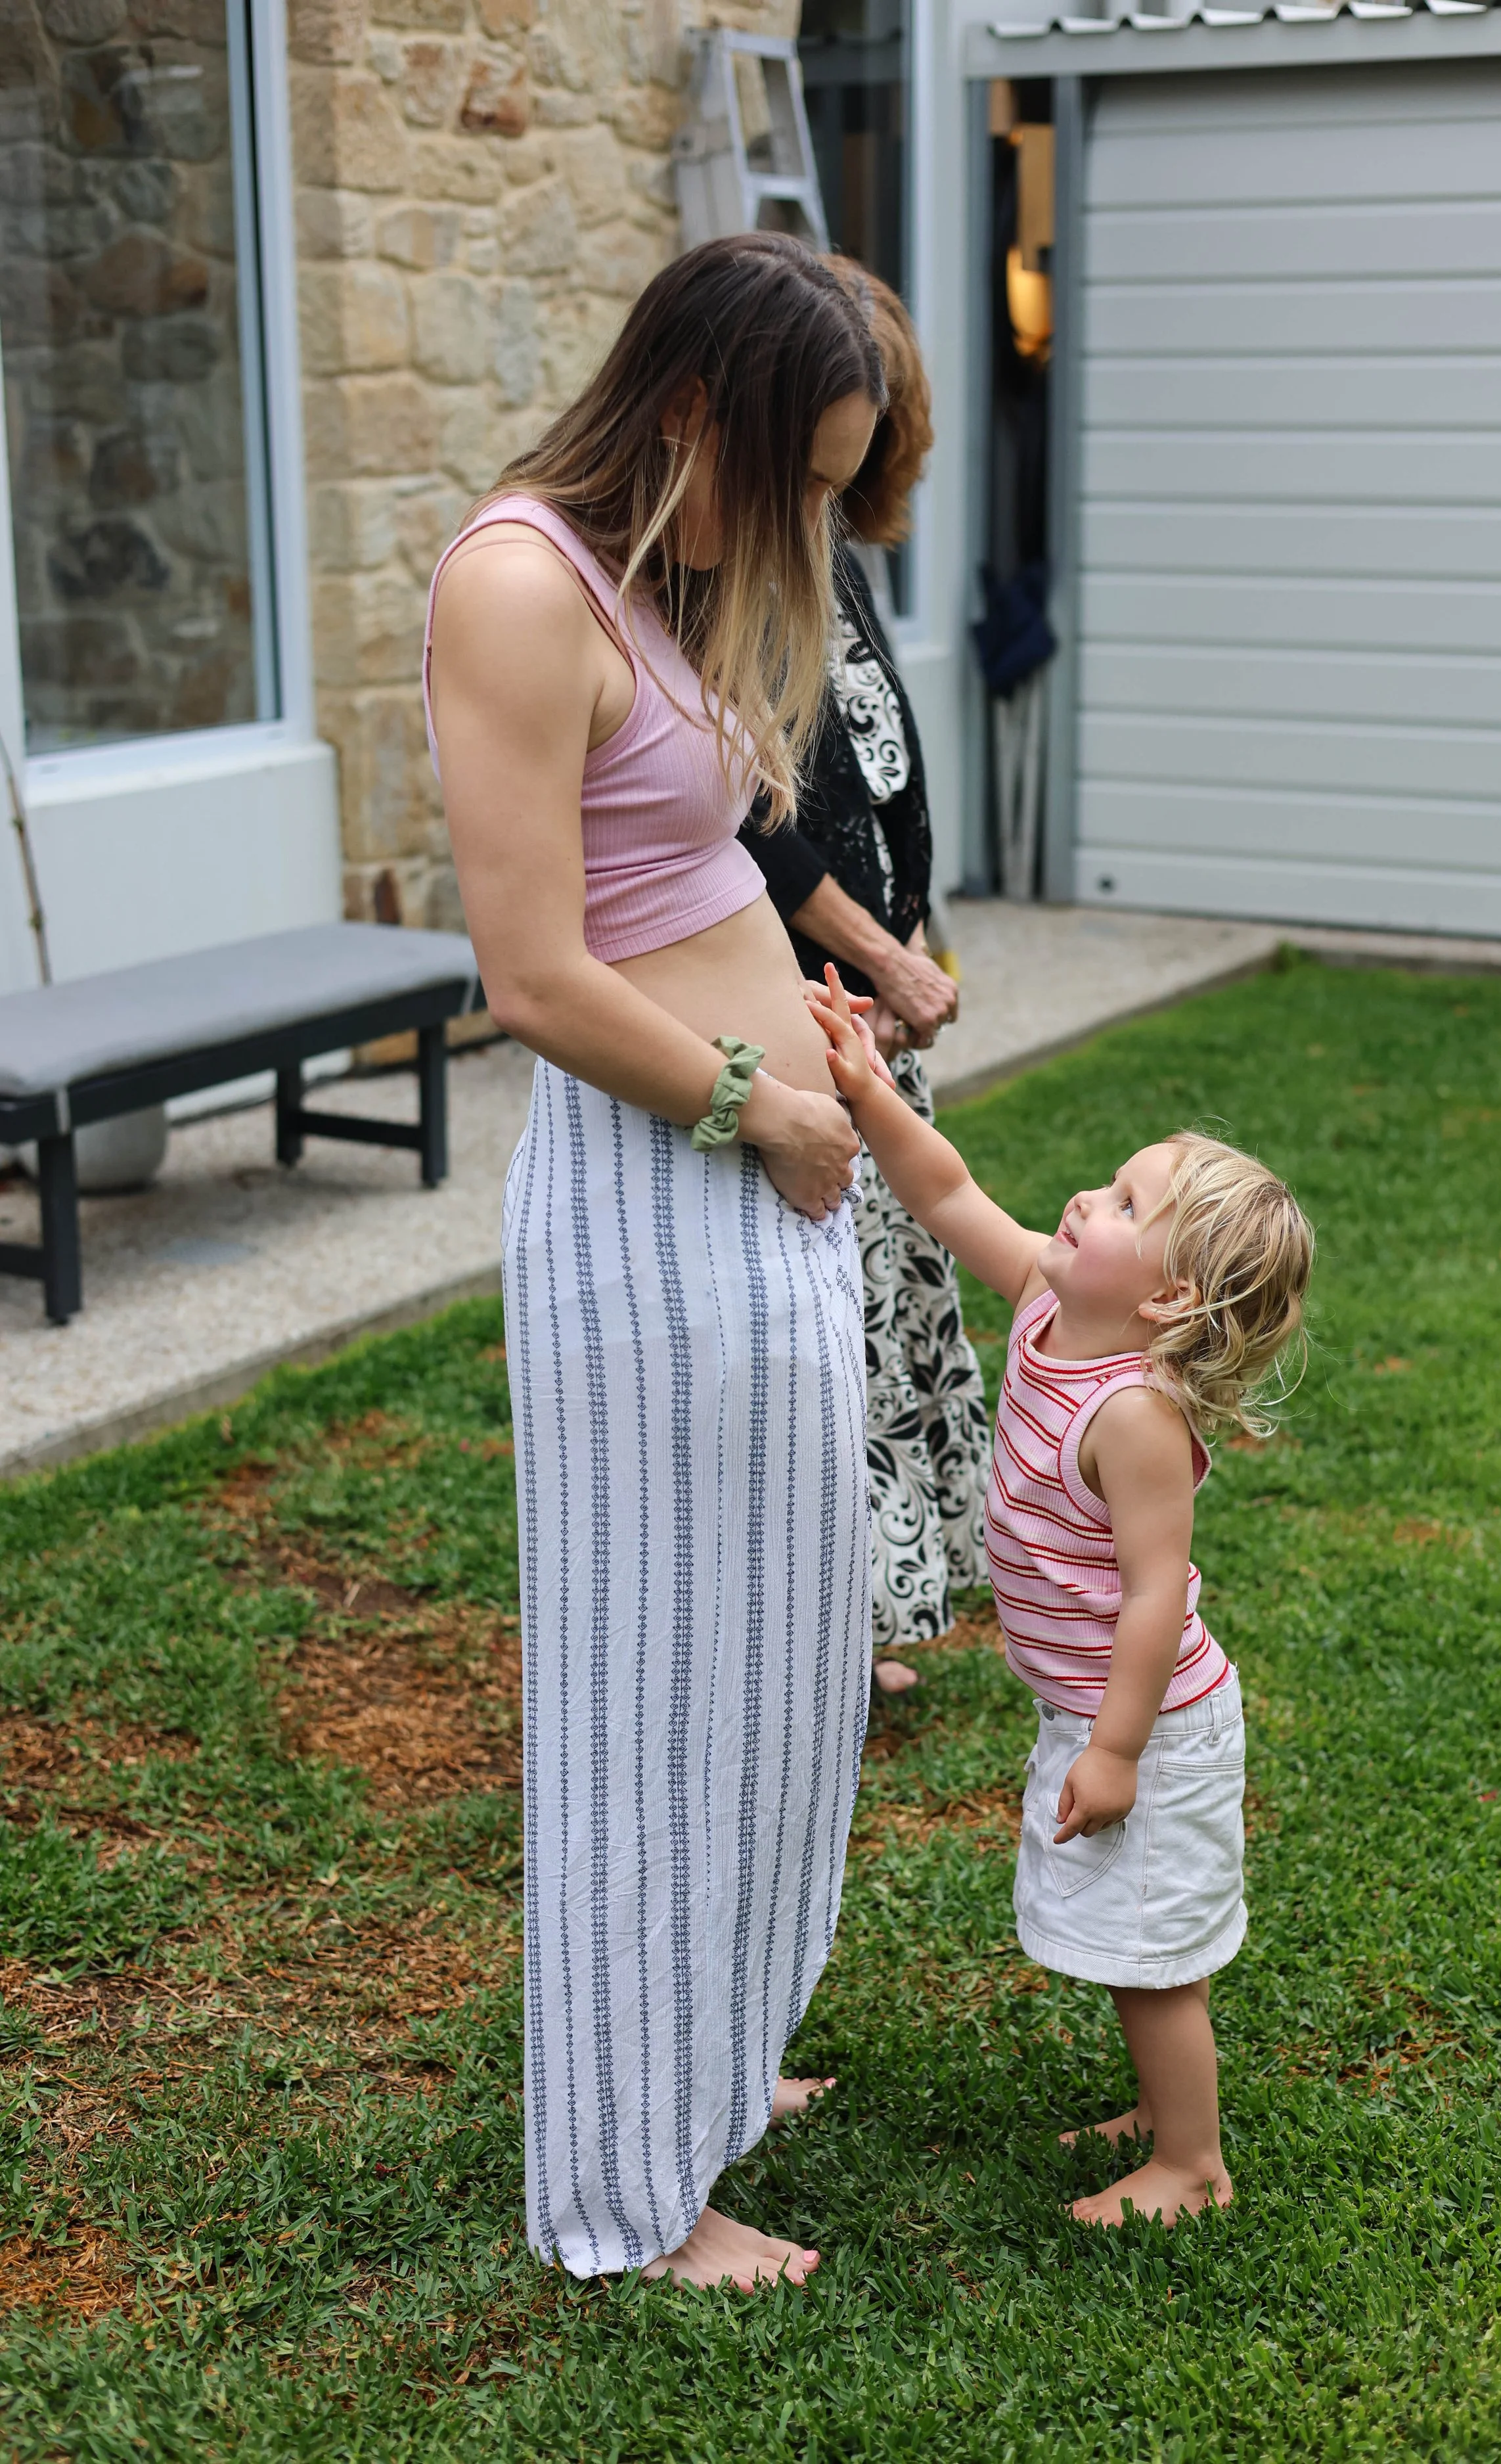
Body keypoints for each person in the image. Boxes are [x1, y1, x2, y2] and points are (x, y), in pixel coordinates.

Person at [425, 236, 885, 2293]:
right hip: (656, 1195)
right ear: (690, 408)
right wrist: (754, 1097)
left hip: (750, 1177)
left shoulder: (653, 580)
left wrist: (822, 1037)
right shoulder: (519, 582)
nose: (799, 521)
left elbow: (682, 864)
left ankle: (713, 2052)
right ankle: (629, 2184)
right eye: (794, 476)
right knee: (656, 1693)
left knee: (783, 1663)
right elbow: (528, 969)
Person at [808, 969, 1314, 2227]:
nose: (1089, 1194)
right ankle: (1157, 2106)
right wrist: (871, 1092)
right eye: (1111, 1179)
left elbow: (1155, 1596)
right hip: (1086, 1709)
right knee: (1123, 1934)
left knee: (1155, 1954)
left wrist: (1120, 1748)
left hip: (1149, 1720)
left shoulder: (1135, 1416)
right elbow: (945, 1192)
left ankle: (1191, 2165)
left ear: (1167, 1300)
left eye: (1127, 1201)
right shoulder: (1046, 1293)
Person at [738, 265, 991, 1695]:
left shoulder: (837, 555)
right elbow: (753, 819)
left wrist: (916, 938)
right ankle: (826, 1617)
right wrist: (878, 953)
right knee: (826, 1323)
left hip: (878, 1009)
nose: (852, 474)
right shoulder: (743, 572)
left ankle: (879, 1599)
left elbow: (878, 783)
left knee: (891, 1319)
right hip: (804, 1014)